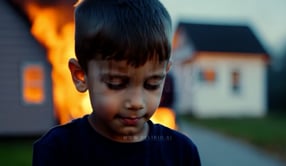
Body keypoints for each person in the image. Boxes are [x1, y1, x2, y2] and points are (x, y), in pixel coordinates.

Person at [33, 0, 201, 165]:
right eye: (116, 83)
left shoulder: (181, 152)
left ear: (165, 72)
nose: (136, 103)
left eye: (152, 84)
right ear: (81, 76)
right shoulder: (57, 149)